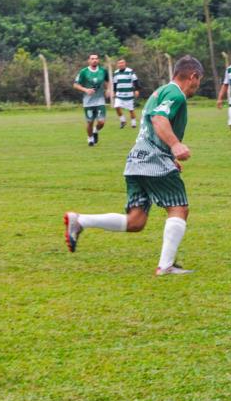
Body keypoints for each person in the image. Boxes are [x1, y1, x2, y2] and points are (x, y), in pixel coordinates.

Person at [64, 56, 205, 276]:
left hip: (136, 160)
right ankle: (165, 266)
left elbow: (150, 126)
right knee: (179, 208)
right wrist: (175, 145)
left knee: (136, 221)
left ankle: (80, 221)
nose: (198, 86)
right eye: (199, 80)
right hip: (153, 160)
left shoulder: (159, 92)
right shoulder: (176, 94)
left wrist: (170, 155)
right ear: (193, 76)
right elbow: (159, 119)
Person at [73, 54, 111, 146]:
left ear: (98, 60)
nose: (94, 60)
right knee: (90, 122)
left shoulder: (103, 71)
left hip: (100, 100)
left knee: (101, 122)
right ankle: (90, 139)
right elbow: (75, 85)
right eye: (92, 59)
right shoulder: (83, 72)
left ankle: (96, 130)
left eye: (96, 59)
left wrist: (108, 89)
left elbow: (108, 81)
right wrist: (86, 90)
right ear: (88, 61)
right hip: (88, 102)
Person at [112, 58, 140, 129]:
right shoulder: (116, 73)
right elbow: (115, 83)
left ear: (125, 63)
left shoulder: (130, 71)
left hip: (129, 94)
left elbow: (135, 81)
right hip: (119, 94)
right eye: (119, 63)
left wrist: (136, 90)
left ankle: (133, 123)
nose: (121, 64)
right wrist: (114, 92)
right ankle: (123, 121)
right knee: (116, 107)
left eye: (122, 63)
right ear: (117, 64)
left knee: (131, 110)